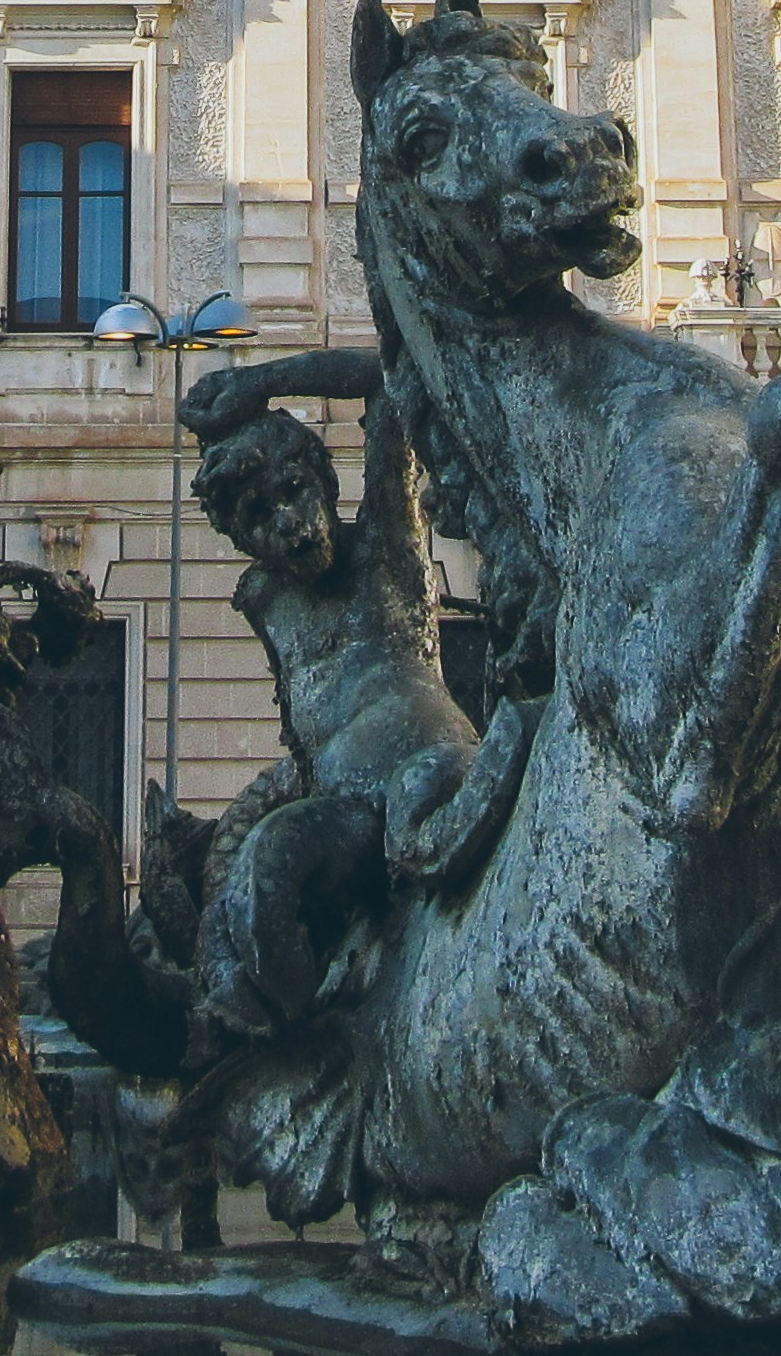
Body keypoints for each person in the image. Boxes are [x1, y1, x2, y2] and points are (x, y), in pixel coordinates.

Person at [185, 404, 533, 1032]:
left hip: (427, 772)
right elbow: (304, 731)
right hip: (347, 812)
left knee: (410, 808)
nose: (288, 523)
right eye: (259, 516)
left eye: (295, 490)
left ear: (325, 480)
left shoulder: (384, 543)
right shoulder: (269, 603)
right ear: (245, 541)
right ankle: (311, 1038)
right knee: (258, 877)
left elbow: (384, 384)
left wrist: (262, 381)